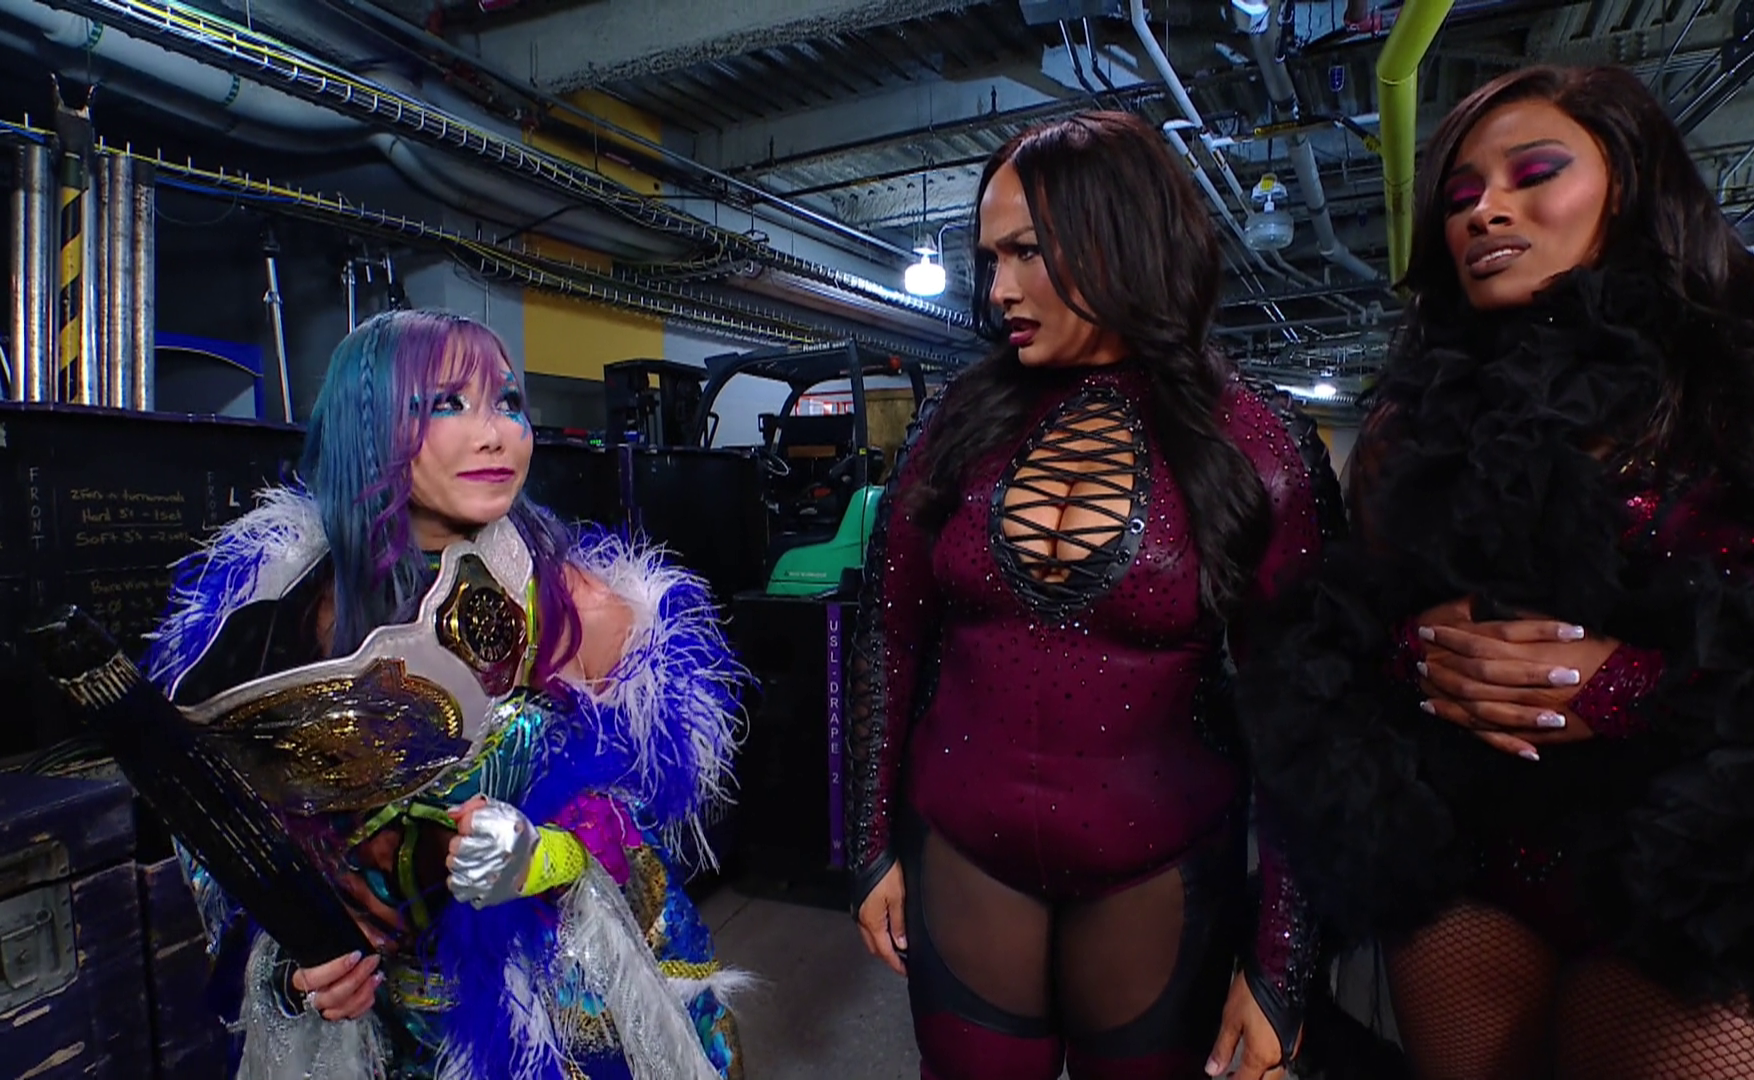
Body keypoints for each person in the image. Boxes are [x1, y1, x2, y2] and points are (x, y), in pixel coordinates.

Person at [1241, 64, 1754, 1080]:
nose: (1484, 211)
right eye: (1460, 195)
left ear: (1633, 181)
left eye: (1534, 173)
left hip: (1725, 881)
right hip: (1475, 870)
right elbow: (1351, 640)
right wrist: (1425, 658)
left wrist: (1645, 690)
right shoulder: (1410, 420)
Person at [845, 110, 1343, 1080]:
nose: (998, 289)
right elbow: (889, 639)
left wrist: (1283, 967)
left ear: (1121, 236)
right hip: (962, 858)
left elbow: (1307, 718)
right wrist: (865, 848)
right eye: (990, 258)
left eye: (1026, 252)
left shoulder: (1254, 442)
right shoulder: (956, 424)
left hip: (1160, 876)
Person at [143, 310, 751, 1079]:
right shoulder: (280, 615)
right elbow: (223, 841)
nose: (496, 435)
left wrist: (548, 857)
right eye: (447, 404)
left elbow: (647, 843)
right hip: (381, 1027)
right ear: (366, 427)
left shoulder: (581, 612)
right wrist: (300, 942)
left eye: (508, 402)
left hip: (556, 1018)